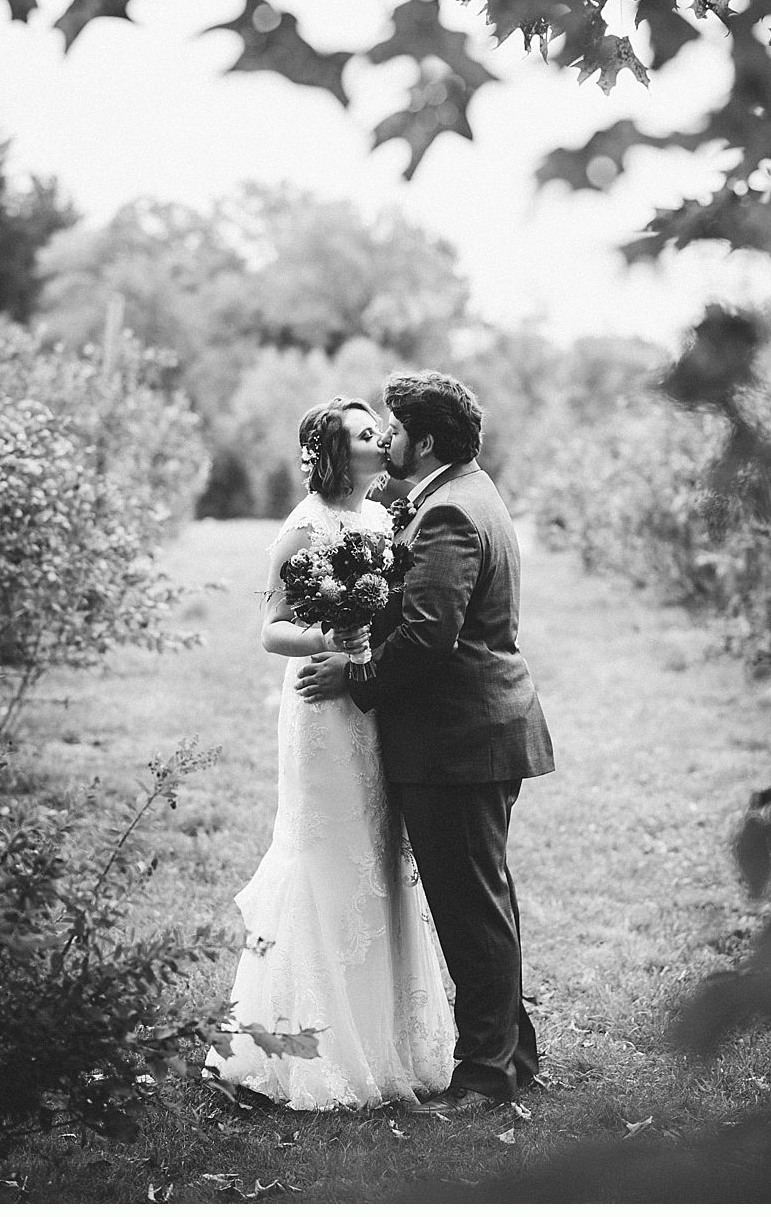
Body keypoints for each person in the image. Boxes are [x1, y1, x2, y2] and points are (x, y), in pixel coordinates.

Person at [297, 372, 555, 1114]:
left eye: (397, 429)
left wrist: (355, 675)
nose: (388, 440)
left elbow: (426, 637)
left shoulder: (447, 513)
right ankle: (513, 1058)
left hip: (458, 741)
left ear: (428, 439)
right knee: (484, 902)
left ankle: (483, 1077)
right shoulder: (469, 490)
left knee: (470, 912)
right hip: (475, 736)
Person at [205, 396, 455, 1110]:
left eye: (380, 430)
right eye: (365, 433)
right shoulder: (304, 527)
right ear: (334, 451)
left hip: (371, 700)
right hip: (321, 705)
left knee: (380, 850)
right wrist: (329, 640)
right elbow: (272, 631)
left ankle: (384, 1040)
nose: (381, 440)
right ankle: (298, 1047)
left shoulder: (380, 517)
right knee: (325, 850)